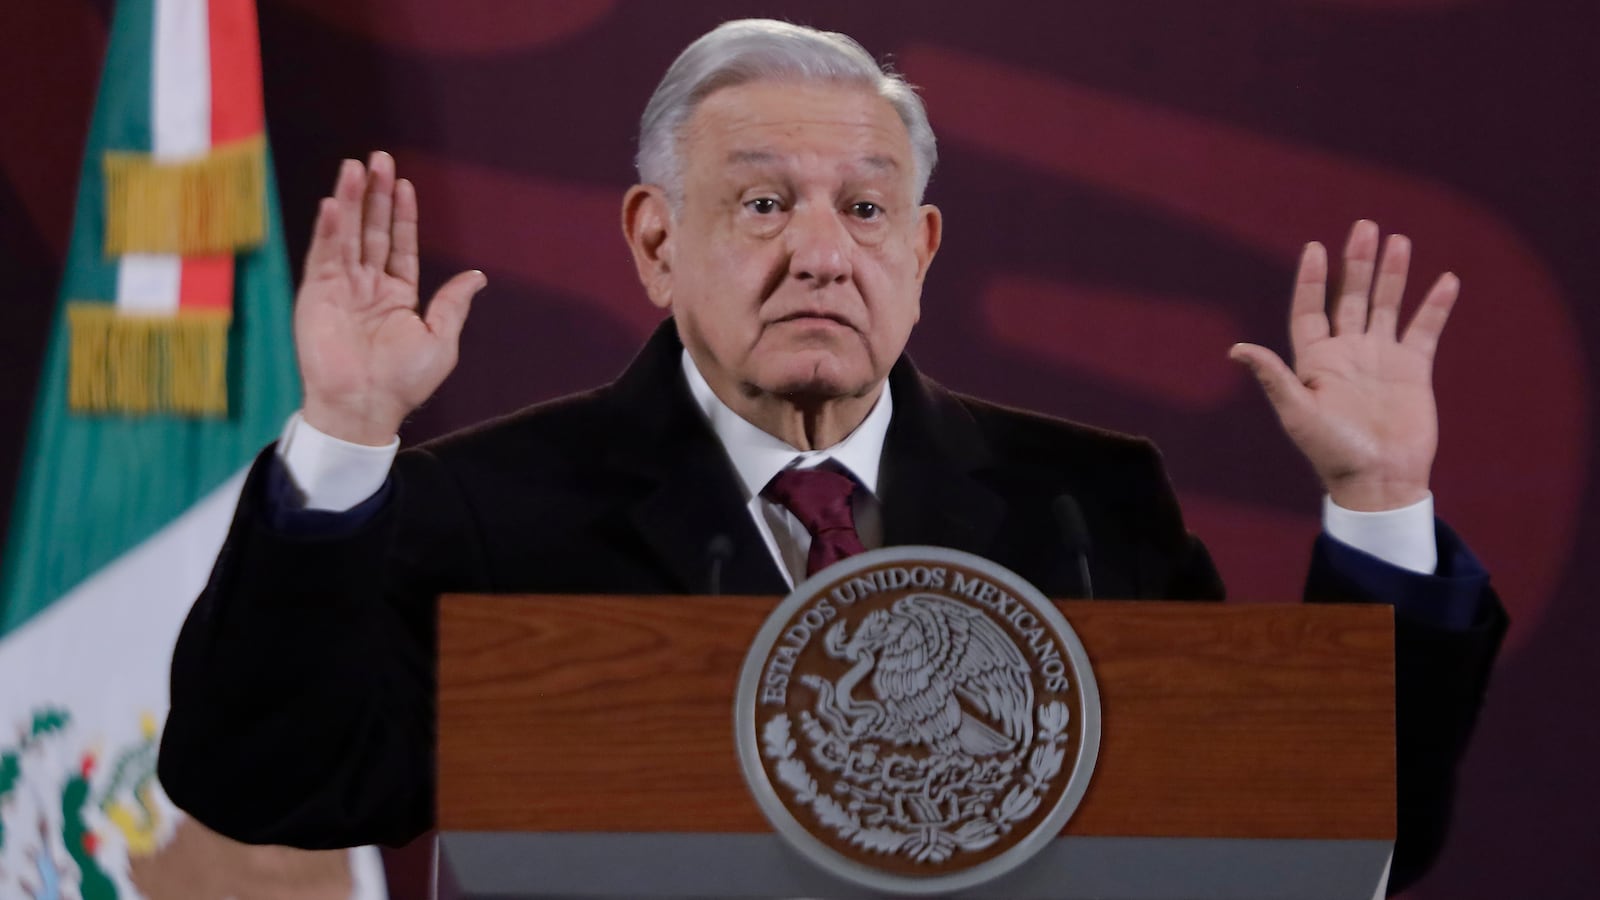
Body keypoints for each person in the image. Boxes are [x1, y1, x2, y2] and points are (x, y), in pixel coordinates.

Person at [157, 19, 1505, 894]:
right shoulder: (496, 510)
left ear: (918, 251)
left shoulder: (1083, 506)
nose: (820, 250)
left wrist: (1381, 506)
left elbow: (1322, 837)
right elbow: (269, 781)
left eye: (865, 207)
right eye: (761, 202)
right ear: (653, 241)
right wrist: (342, 441)